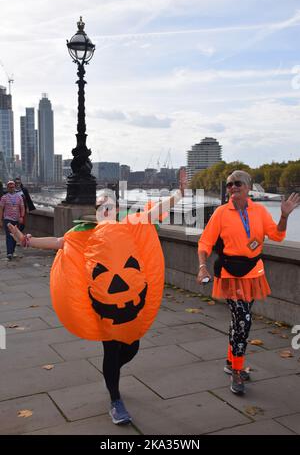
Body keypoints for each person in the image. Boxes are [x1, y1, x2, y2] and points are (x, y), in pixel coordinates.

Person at [8, 188, 183, 424]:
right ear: (97, 212)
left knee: (131, 349)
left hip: (132, 304)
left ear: (117, 208)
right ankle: (115, 400)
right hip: (104, 304)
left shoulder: (132, 224)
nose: (105, 209)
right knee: (111, 350)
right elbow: (59, 242)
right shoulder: (84, 232)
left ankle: (111, 372)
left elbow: (156, 212)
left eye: (109, 205)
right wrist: (26, 240)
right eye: (101, 207)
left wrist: (179, 194)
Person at [197, 170, 300, 395]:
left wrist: (284, 216)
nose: (232, 187)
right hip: (230, 275)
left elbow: (277, 235)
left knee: (238, 322)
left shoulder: (259, 211)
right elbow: (205, 242)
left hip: (253, 274)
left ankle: (229, 360)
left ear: (247, 187)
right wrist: (202, 266)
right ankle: (236, 371)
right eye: (229, 184)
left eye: (237, 184)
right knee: (243, 321)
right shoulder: (221, 213)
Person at [0, 180, 25, 260]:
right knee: (9, 236)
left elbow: (22, 207)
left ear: (15, 187)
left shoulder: (19, 197)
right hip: (7, 219)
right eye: (10, 187)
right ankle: (9, 253)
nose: (11, 188)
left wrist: (21, 217)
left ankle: (12, 250)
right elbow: (1, 209)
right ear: (7, 188)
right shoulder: (4, 197)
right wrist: (0, 220)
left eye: (13, 187)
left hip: (16, 219)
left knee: (15, 236)